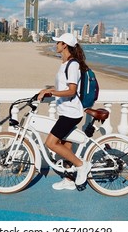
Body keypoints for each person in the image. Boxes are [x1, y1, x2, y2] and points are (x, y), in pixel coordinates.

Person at [37, 33, 92, 191]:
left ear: (65, 45)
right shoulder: (65, 64)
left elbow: (71, 91)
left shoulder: (73, 65)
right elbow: (63, 88)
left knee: (51, 143)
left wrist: (53, 93)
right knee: (65, 148)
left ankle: (82, 165)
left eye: (58, 42)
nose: (56, 45)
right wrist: (48, 90)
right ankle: (69, 179)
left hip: (71, 114)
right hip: (65, 112)